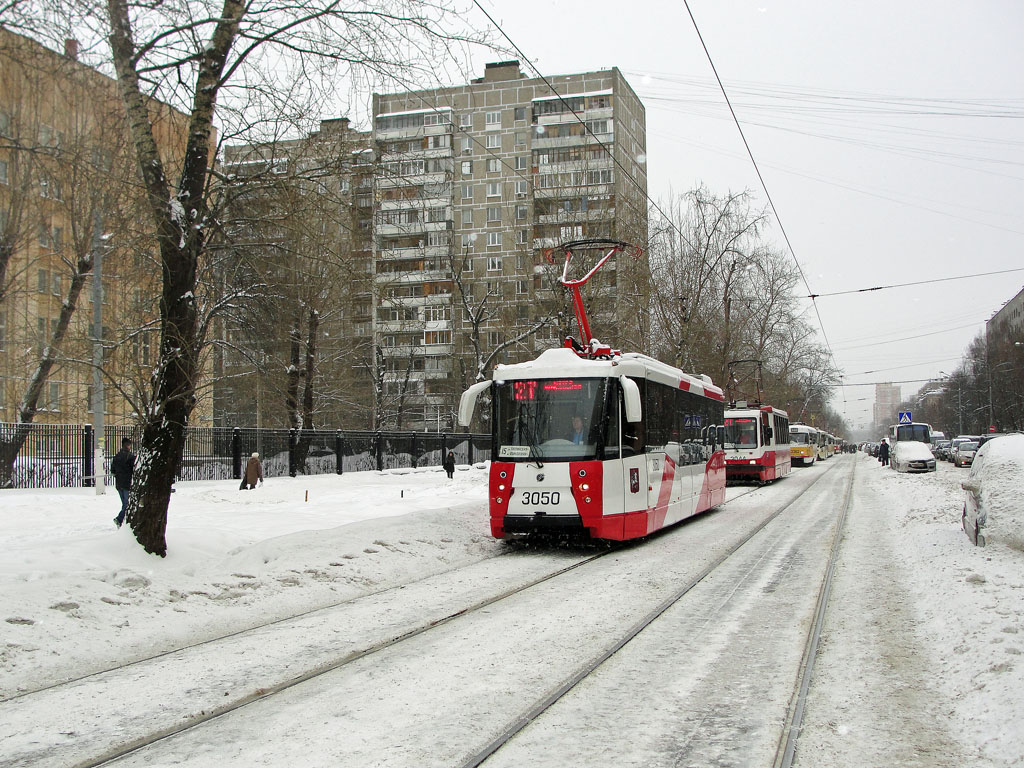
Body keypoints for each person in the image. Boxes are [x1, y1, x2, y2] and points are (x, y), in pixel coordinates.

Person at [111, 437, 135, 528]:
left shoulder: (117, 456)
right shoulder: (131, 457)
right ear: (128, 446)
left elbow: (112, 470)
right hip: (127, 484)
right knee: (127, 504)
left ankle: (123, 522)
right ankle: (119, 519)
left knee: (125, 504)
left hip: (119, 484)